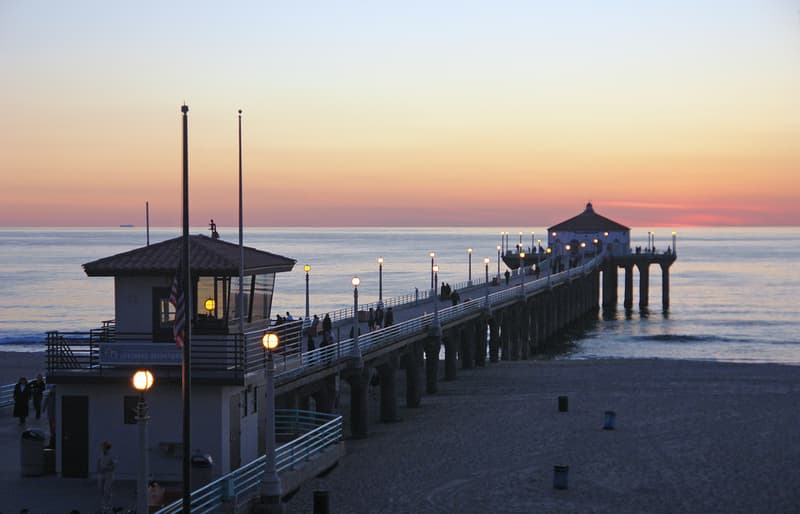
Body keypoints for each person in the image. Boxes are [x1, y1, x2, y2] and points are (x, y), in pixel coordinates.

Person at [97, 440, 117, 511]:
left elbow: (114, 465)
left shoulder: (111, 455)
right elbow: (99, 461)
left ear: (107, 447)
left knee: (107, 490)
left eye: (103, 446)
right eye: (102, 446)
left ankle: (108, 505)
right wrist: (98, 469)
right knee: (100, 489)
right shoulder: (101, 453)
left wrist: (106, 468)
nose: (102, 448)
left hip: (109, 475)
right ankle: (102, 505)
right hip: (101, 474)